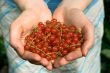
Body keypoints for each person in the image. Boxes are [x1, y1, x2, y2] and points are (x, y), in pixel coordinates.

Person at [0, 0, 104, 73]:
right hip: (19, 9)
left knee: (81, 67)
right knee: (25, 69)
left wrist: (73, 5)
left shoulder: (68, 33)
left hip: (83, 7)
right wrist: (30, 4)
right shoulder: (36, 34)